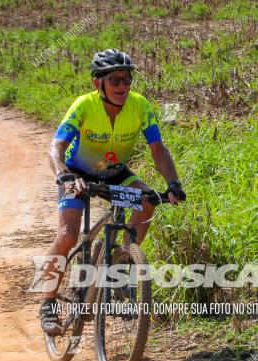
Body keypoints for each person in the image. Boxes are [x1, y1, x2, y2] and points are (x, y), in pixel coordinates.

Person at [39, 48, 186, 334]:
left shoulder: (140, 106)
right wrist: (65, 177)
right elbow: (55, 147)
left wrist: (173, 184)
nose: (123, 86)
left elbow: (158, 150)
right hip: (78, 174)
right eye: (115, 80)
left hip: (115, 172)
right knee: (68, 235)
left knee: (146, 202)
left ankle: (122, 264)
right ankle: (47, 302)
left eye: (127, 79)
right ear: (98, 83)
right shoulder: (84, 106)